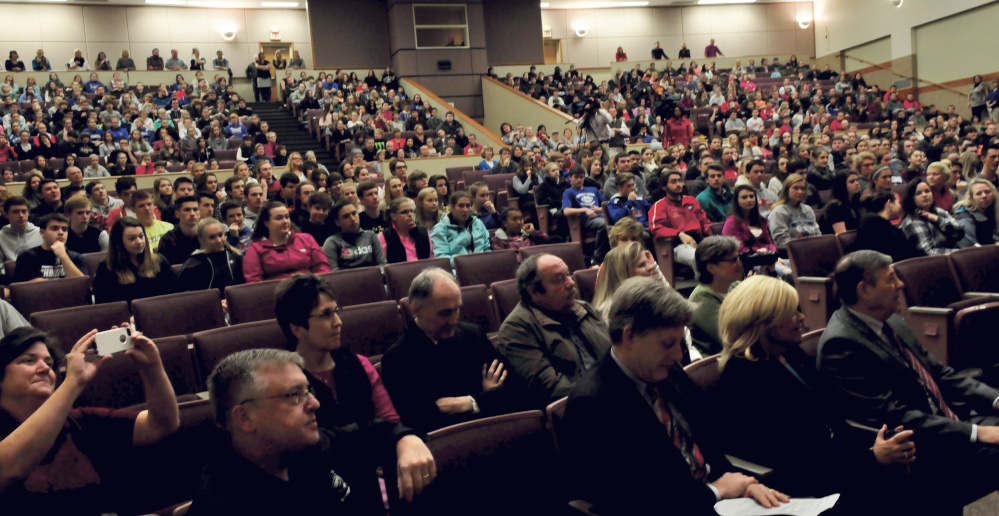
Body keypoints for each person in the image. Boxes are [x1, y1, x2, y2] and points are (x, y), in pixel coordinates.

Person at [562, 276, 787, 516]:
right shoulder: (592, 405)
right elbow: (628, 501)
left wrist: (745, 484)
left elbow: (706, 444)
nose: (679, 355)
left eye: (680, 342)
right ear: (629, 338)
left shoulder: (667, 371)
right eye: (668, 343)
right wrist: (715, 491)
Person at [715, 275, 917, 510]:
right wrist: (871, 457)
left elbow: (830, 416)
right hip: (796, 484)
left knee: (925, 467)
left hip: (828, 462)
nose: (801, 318)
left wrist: (876, 442)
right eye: (792, 313)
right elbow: (795, 457)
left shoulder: (790, 353)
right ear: (763, 324)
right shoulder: (744, 379)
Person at [818, 250, 999, 512]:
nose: (901, 284)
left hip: (948, 422)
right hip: (920, 448)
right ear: (865, 290)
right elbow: (895, 413)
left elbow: (939, 373)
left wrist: (994, 399)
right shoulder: (841, 344)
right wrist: (977, 432)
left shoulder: (891, 319)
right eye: (890, 279)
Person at [187, 348, 436, 514]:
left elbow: (371, 431)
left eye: (309, 391)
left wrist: (406, 440)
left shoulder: (302, 447)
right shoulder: (221, 502)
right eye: (294, 395)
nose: (315, 403)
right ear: (245, 418)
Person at [0, 325, 180, 513]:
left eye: (50, 363)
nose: (45, 368)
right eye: (29, 361)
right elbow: (7, 470)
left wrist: (152, 368)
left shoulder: (79, 421)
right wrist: (73, 383)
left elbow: (161, 424)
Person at [382, 268, 521, 433]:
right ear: (416, 309)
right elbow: (420, 422)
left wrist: (468, 403)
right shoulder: (398, 358)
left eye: (457, 309)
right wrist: (489, 397)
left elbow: (515, 390)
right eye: (445, 313)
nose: (454, 320)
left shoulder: (474, 335)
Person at [274, 274, 400, 429]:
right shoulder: (282, 383)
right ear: (297, 329)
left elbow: (390, 422)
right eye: (326, 314)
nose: (338, 322)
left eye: (336, 311)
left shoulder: (360, 364)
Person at [497, 254, 611, 407]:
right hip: (574, 412)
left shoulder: (584, 309)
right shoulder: (517, 329)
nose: (571, 283)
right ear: (533, 292)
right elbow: (549, 388)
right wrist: (606, 397)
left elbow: (615, 355)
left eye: (568, 275)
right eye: (559, 280)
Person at [93, 217, 177, 306]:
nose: (139, 242)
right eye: (132, 238)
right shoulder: (106, 268)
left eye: (141, 236)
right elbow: (105, 308)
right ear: (119, 242)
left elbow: (174, 297)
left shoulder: (160, 262)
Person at [243, 201, 330, 283]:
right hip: (276, 294)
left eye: (287, 217)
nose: (285, 221)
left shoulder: (306, 238)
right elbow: (254, 281)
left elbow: (322, 266)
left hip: (311, 289)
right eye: (279, 218)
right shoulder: (256, 248)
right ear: (266, 223)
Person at [688, 236, 744, 358]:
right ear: (711, 268)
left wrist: (770, 273)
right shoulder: (701, 299)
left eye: (738, 258)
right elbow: (733, 339)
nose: (739, 264)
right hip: (720, 365)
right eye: (733, 261)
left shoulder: (733, 285)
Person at [649, 170, 712, 268]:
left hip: (699, 240)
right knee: (697, 258)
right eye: (673, 182)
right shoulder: (659, 206)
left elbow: (704, 222)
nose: (678, 184)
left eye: (680, 181)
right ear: (664, 187)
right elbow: (656, 229)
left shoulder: (691, 200)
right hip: (678, 244)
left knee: (724, 253)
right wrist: (679, 234)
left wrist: (713, 238)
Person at [178, 218, 245, 297]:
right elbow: (187, 298)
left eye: (220, 235)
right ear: (201, 239)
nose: (219, 240)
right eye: (212, 237)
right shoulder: (193, 264)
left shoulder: (235, 257)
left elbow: (244, 288)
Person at [13, 213, 88, 283]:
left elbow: (82, 285)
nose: (61, 232)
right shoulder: (27, 257)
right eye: (55, 229)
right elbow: (27, 287)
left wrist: (63, 256)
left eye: (64, 229)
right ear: (42, 233)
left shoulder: (77, 257)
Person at [898, 178, 964, 255]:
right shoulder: (912, 222)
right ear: (911, 199)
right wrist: (959, 253)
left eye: (927, 191)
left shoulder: (938, 212)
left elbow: (960, 232)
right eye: (918, 193)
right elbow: (928, 253)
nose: (924, 195)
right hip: (932, 264)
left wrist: (937, 219)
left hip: (951, 256)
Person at [322, 200, 386, 270]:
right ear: (337, 222)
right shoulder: (331, 242)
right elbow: (334, 273)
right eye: (346, 216)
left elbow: (382, 264)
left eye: (354, 213)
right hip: (345, 280)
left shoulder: (371, 236)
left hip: (373, 278)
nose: (352, 219)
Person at [853, 192, 917, 261]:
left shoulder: (883, 224)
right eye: (898, 203)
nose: (900, 207)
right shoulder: (870, 221)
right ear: (889, 203)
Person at [768, 173, 820, 253]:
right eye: (795, 188)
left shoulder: (808, 209)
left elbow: (817, 234)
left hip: (812, 250)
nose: (800, 192)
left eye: (802, 189)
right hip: (791, 253)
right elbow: (782, 242)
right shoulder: (779, 211)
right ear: (786, 190)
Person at [430, 191, 489, 260]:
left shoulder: (478, 224)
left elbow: (487, 249)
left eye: (468, 206)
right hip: (456, 268)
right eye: (461, 206)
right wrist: (466, 263)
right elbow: (441, 258)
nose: (465, 210)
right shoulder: (440, 229)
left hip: (481, 265)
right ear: (452, 207)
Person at [379, 197, 433, 263]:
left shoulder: (423, 232)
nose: (410, 215)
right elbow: (382, 264)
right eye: (404, 212)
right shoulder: (384, 236)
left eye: (412, 211)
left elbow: (431, 258)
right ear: (393, 216)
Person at [156, 195, 201, 266]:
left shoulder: (205, 235)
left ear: (199, 213)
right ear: (177, 214)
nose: (192, 214)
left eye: (195, 210)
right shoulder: (168, 239)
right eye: (187, 210)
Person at [0, 197, 42, 271]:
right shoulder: (1, 236)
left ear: (28, 213)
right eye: (15, 212)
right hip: (12, 279)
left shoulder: (41, 233)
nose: (21, 215)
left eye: (24, 211)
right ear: (6, 214)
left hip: (40, 276)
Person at [955, 177, 999, 247]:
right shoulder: (964, 218)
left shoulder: (991, 210)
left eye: (987, 192)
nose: (984, 196)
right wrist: (994, 247)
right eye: (979, 193)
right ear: (972, 198)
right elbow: (969, 249)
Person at [819, 170, 862, 235]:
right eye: (852, 181)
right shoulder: (835, 206)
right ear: (842, 185)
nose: (857, 183)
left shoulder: (854, 202)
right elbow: (842, 236)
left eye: (857, 180)